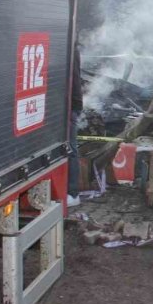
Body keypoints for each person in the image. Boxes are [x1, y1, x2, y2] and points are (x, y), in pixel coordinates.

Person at [66, 43, 83, 207]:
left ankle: (72, 192)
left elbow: (75, 78)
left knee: (70, 149)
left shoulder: (70, 49)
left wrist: (76, 106)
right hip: (69, 105)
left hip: (69, 106)